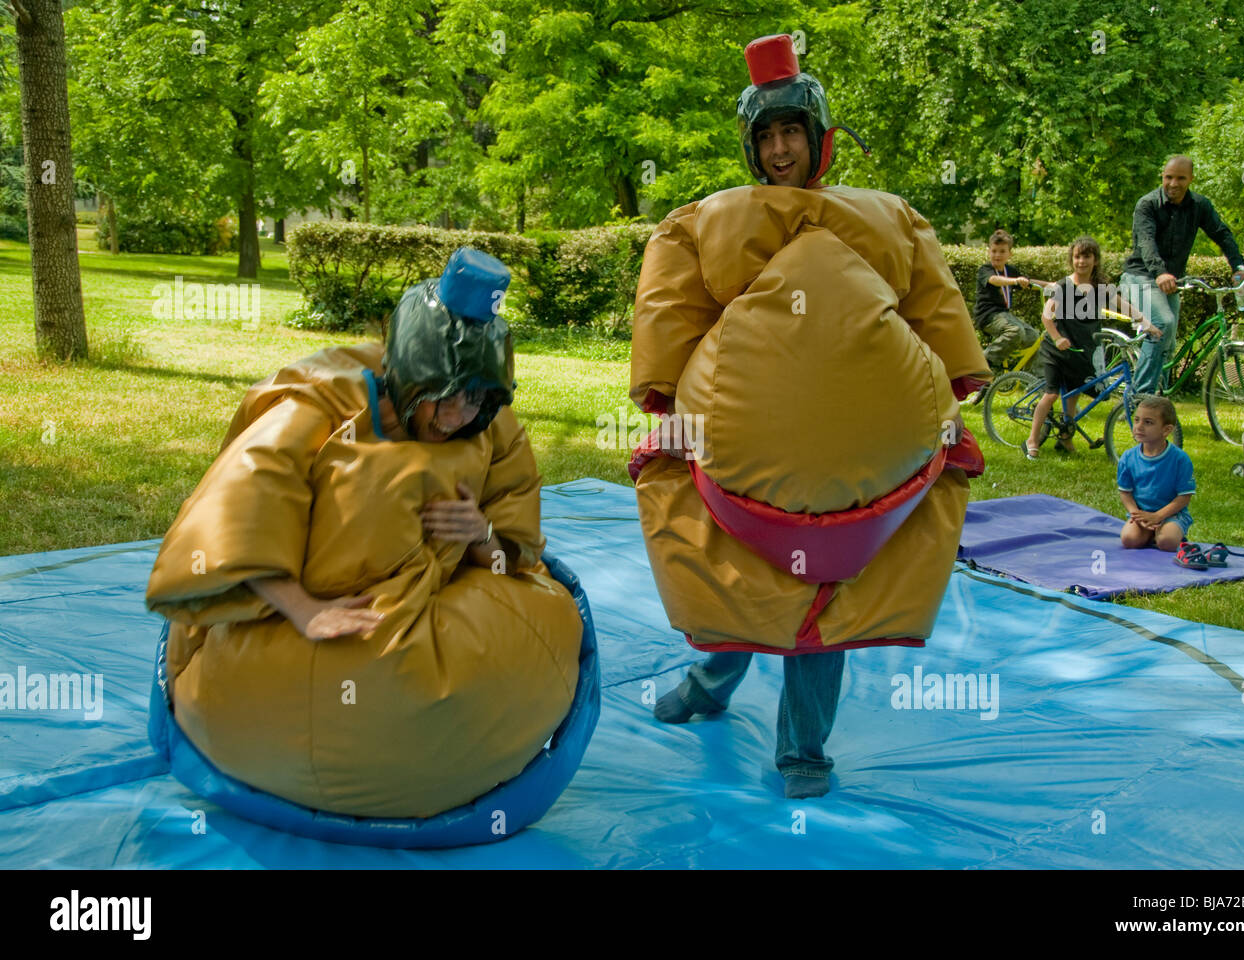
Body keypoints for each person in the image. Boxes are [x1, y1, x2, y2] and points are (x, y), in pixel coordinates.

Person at [629, 34, 989, 799]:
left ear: (819, 138)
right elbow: (675, 294)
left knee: (829, 582)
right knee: (742, 571)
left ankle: (804, 748)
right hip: (746, 448)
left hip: (853, 461)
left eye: (792, 131)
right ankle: (710, 683)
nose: (780, 148)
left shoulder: (886, 219)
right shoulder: (719, 219)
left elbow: (931, 295)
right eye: (766, 136)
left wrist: (957, 378)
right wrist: (663, 391)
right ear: (751, 147)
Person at [144, 248, 583, 819]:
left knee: (547, 617)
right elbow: (237, 512)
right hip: (301, 624)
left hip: (435, 613)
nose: (456, 418)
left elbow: (514, 558)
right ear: (412, 373)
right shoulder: (315, 412)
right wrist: (302, 608)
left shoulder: (490, 428)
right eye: (444, 398)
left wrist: (481, 536)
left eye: (474, 400)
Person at [1120, 155, 1244, 396]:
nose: (1174, 183)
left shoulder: (1200, 206)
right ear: (1162, 176)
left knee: (1168, 345)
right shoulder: (1147, 204)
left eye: (1181, 178)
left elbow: (1222, 234)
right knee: (1162, 325)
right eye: (1169, 177)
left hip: (1172, 281)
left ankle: (1157, 400)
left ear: (1191, 179)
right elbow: (1146, 243)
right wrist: (1160, 273)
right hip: (1140, 276)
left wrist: (1239, 266)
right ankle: (1141, 396)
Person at [1025, 236, 1154, 459]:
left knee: (1073, 396)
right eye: (1077, 257)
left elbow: (1123, 306)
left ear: (1095, 260)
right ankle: (1033, 439)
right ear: (1071, 260)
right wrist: (1057, 338)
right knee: (1052, 394)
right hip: (1056, 350)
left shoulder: (1101, 287)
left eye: (1086, 256)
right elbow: (1047, 317)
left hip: (1081, 349)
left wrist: (1146, 322)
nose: (1081, 261)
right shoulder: (1063, 285)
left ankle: (1065, 438)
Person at [1117, 396, 1195, 551]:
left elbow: (1184, 496)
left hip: (1171, 515)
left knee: (1168, 542)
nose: (1138, 426)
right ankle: (1150, 533)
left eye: (1148, 422)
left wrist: (1158, 516)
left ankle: (1165, 532)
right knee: (1129, 540)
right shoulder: (1128, 457)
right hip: (1141, 514)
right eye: (1137, 419)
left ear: (1166, 430)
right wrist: (1136, 514)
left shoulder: (1180, 459)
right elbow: (1125, 492)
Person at [972, 229, 1046, 381]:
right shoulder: (985, 270)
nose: (997, 255)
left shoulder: (1009, 271)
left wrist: (1052, 285)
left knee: (1035, 338)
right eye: (994, 251)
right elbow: (994, 280)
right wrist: (1014, 281)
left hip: (1005, 315)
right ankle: (982, 362)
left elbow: (1028, 281)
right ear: (988, 252)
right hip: (988, 316)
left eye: (1002, 251)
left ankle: (1034, 381)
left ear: (1009, 254)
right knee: (1016, 331)